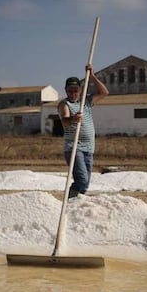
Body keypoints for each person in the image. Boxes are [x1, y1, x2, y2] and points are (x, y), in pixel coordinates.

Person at [58, 64, 109, 198]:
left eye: (75, 90)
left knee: (85, 184)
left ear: (80, 90)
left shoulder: (86, 102)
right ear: (66, 90)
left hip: (89, 148)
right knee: (81, 179)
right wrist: (73, 119)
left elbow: (104, 92)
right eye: (70, 91)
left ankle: (76, 203)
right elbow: (64, 120)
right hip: (74, 147)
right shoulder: (64, 104)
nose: (73, 93)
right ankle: (70, 200)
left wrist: (92, 76)